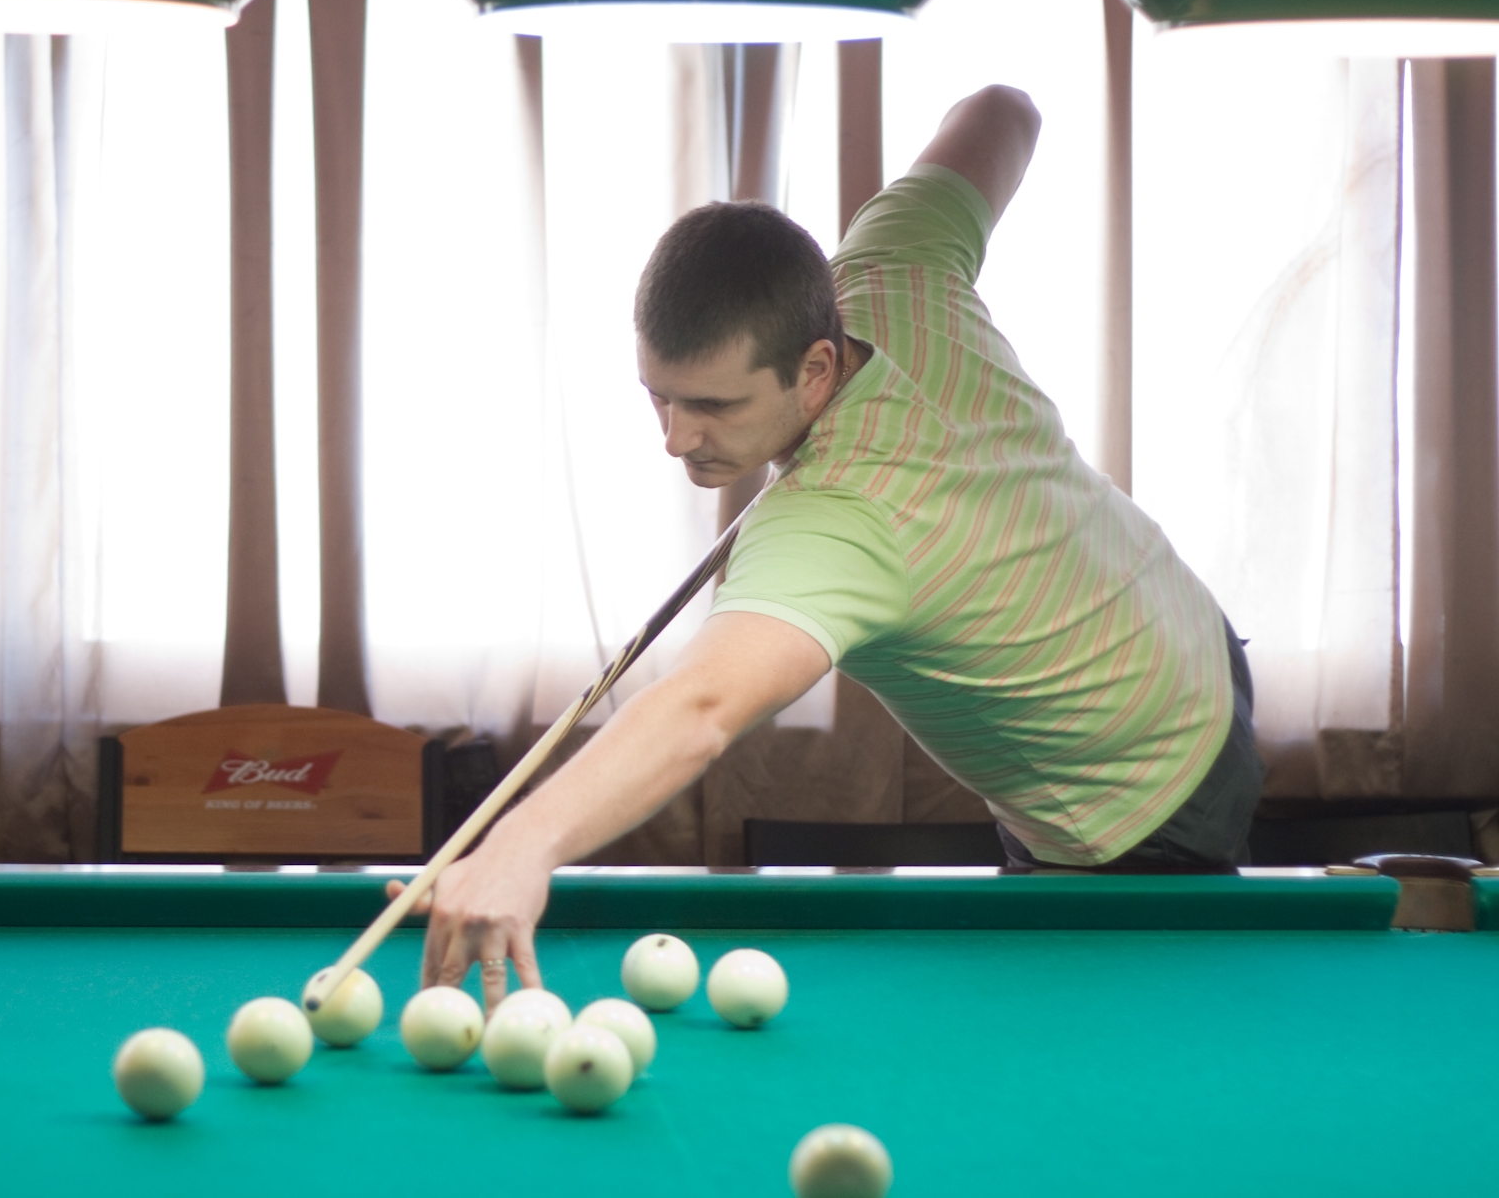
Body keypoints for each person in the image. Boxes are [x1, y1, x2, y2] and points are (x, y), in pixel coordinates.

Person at [396, 85, 1264, 1011]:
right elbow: (1004, 110)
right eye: (659, 395)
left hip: (1138, 790)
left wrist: (520, 847)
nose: (675, 438)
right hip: (1191, 636)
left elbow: (701, 706)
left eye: (714, 405)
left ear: (815, 368)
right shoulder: (897, 264)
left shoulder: (838, 518)